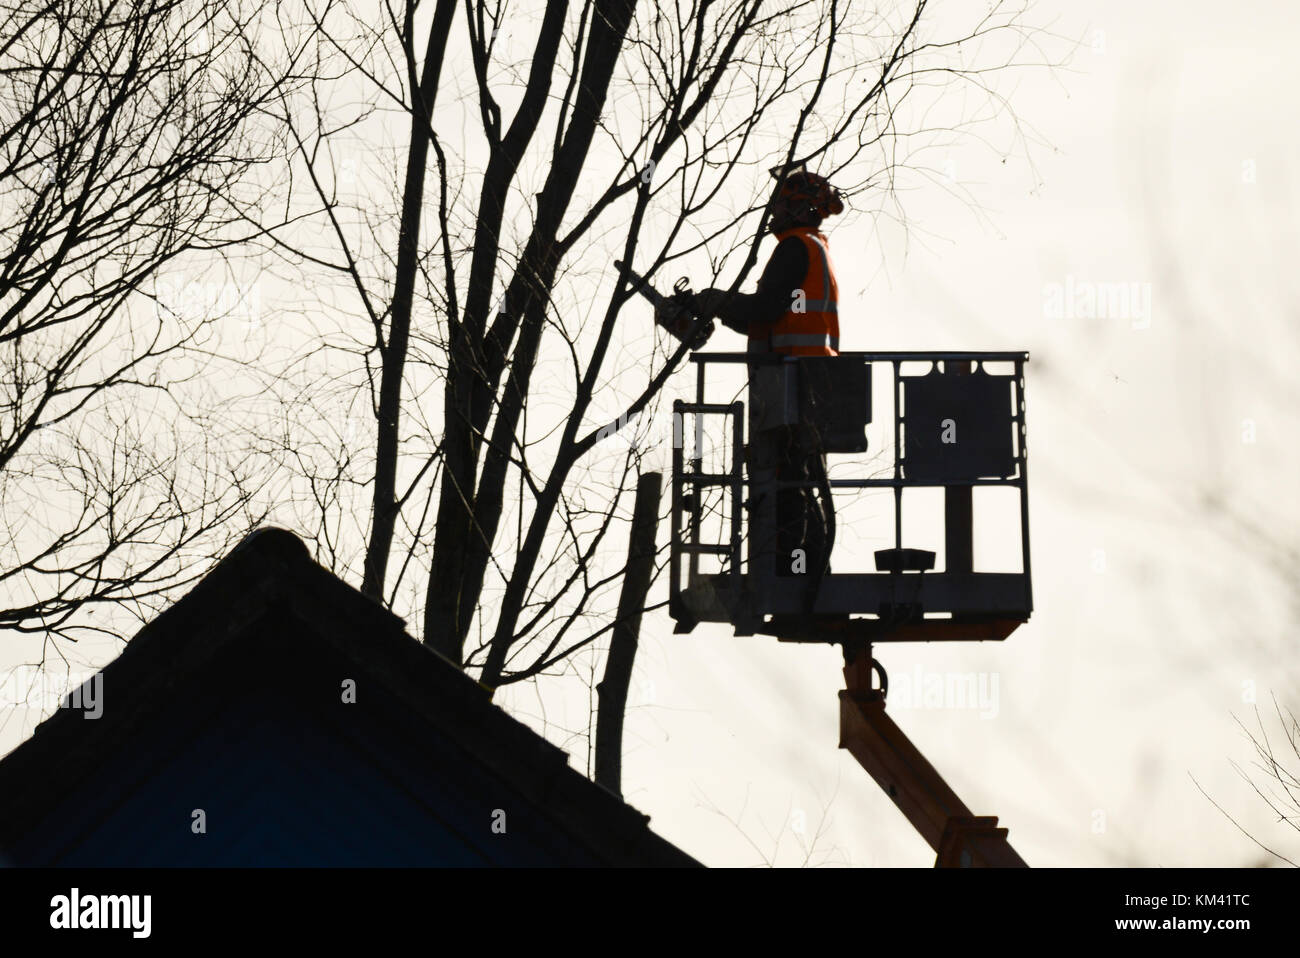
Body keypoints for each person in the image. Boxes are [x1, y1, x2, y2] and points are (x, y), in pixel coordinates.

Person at [687, 165, 843, 609]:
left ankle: (799, 572)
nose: (775, 209)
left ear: (801, 208)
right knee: (795, 480)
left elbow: (766, 308)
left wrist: (716, 300)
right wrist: (719, 307)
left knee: (788, 483)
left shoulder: (795, 250)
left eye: (783, 201)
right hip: (806, 383)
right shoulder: (815, 250)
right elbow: (766, 315)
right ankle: (805, 570)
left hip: (795, 384)